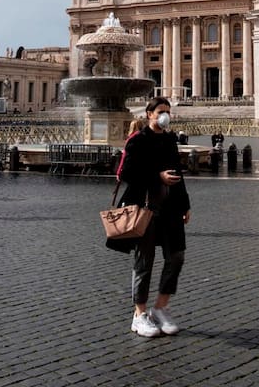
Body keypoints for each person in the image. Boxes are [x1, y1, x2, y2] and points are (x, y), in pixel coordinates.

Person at [114, 97, 190, 338]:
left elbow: (177, 172)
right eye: (160, 112)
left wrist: (186, 204)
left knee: (176, 256)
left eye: (167, 112)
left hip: (170, 208)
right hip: (145, 207)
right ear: (149, 114)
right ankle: (139, 314)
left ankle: (160, 307)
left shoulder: (169, 139)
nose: (164, 115)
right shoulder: (137, 140)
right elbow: (126, 173)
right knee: (144, 262)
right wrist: (157, 176)